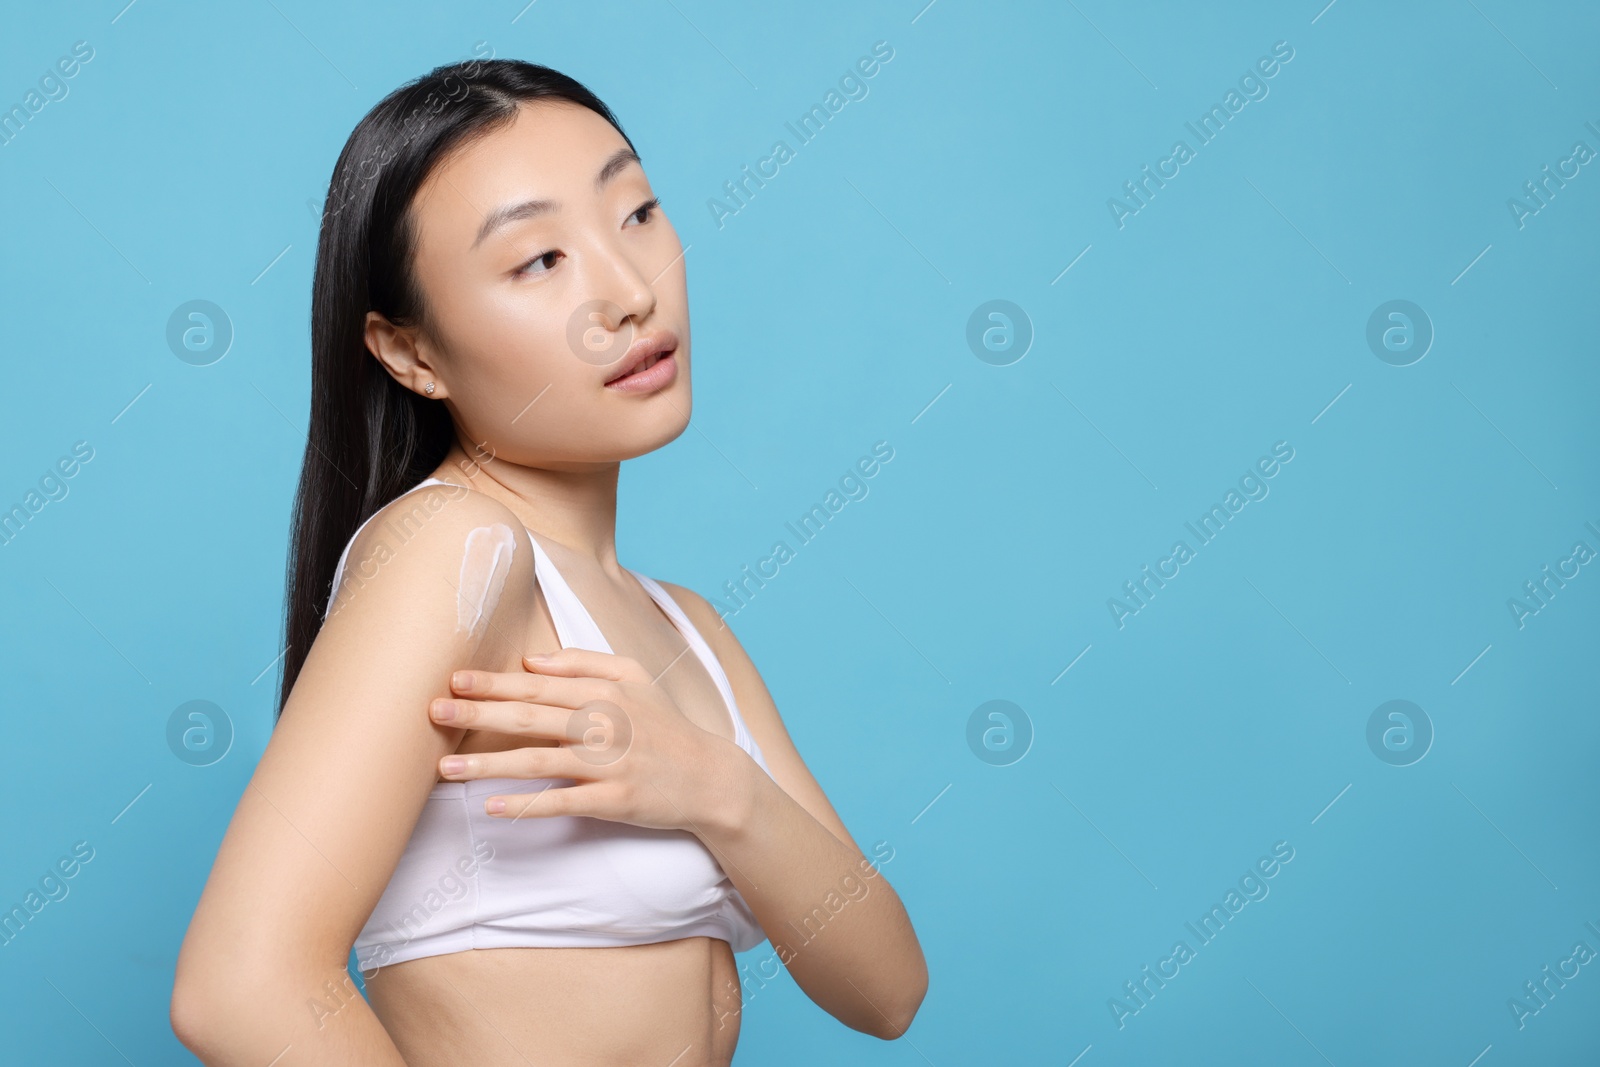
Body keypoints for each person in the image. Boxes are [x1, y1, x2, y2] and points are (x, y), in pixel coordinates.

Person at [169, 57, 927, 1065]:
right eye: (539, 260)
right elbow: (238, 986)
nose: (626, 291)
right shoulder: (453, 546)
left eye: (638, 213)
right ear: (410, 354)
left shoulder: (690, 629)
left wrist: (713, 785)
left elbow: (887, 990)